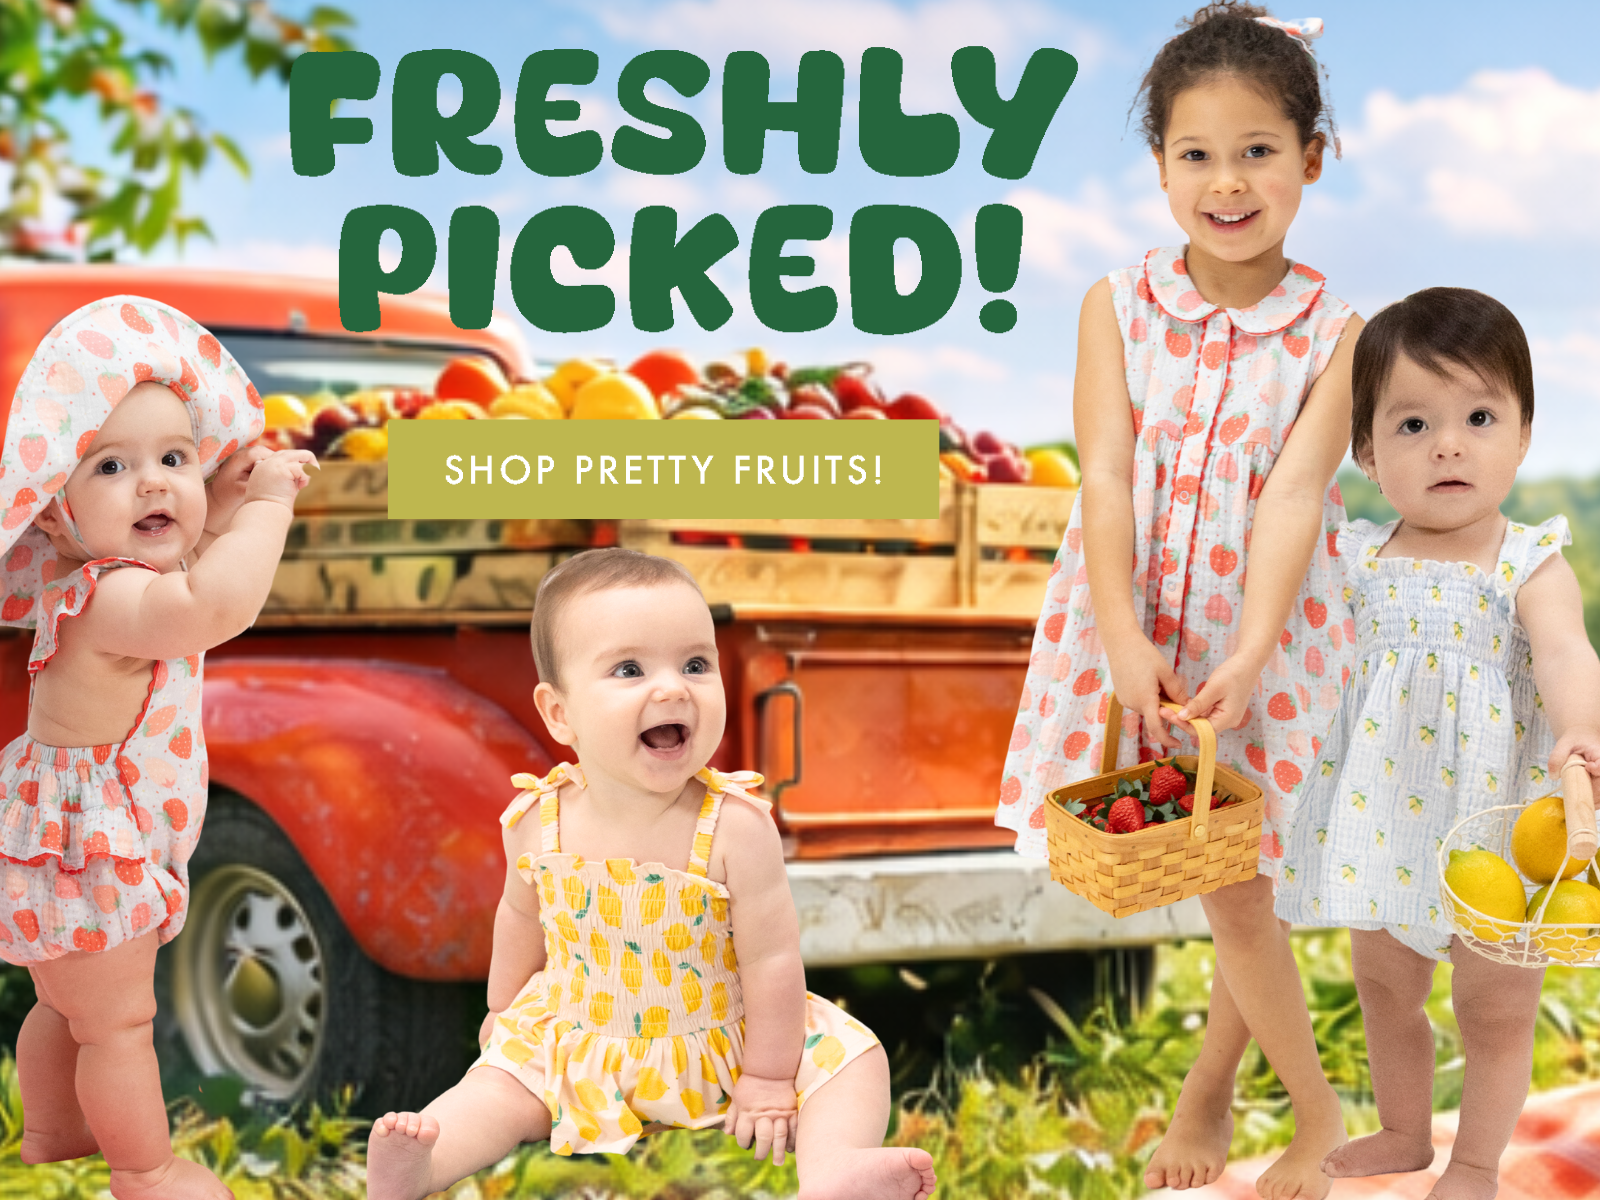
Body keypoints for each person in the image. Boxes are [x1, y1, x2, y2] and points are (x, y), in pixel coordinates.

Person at [995, 4, 1362, 1196]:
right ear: (1158, 166)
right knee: (1225, 885)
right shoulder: (1118, 304)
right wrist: (1119, 635)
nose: (1226, 181)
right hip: (1134, 617)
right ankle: (1213, 1095)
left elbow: (1295, 500)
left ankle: (1318, 1117)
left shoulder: (1340, 333)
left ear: (1314, 155)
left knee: (1240, 884)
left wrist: (1252, 652)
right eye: (1196, 154)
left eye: (1258, 149)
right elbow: (1103, 471)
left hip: (1275, 635)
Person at [367, 548, 938, 1200]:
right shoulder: (538, 819)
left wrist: (771, 1078)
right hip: (581, 1031)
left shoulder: (734, 827)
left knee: (853, 1061)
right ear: (560, 713)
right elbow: (519, 917)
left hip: (726, 1033)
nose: (673, 688)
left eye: (696, 664)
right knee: (497, 1086)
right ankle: (423, 1163)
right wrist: (503, 1010)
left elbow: (774, 961)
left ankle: (834, 1168)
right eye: (630, 669)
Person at [1275, 287, 1600, 1200]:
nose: (1449, 443)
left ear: (1524, 433)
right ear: (1369, 454)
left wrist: (1580, 727)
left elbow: (1567, 649)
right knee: (1383, 984)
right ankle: (1406, 1131)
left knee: (1494, 1004)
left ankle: (1474, 1162)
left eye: (1480, 415)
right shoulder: (1358, 557)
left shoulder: (1526, 557)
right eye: (1414, 424)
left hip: (1494, 821)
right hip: (1387, 819)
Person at [0, 295, 312, 1199]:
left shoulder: (102, 579)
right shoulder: (115, 601)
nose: (155, 484)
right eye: (112, 465)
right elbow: (216, 604)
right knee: (118, 1027)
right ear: (56, 515)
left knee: (63, 1005)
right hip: (88, 849)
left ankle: (55, 1130)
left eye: (175, 458)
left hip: (67, 840)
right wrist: (264, 509)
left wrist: (212, 505)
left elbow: (188, 555)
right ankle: (144, 1170)